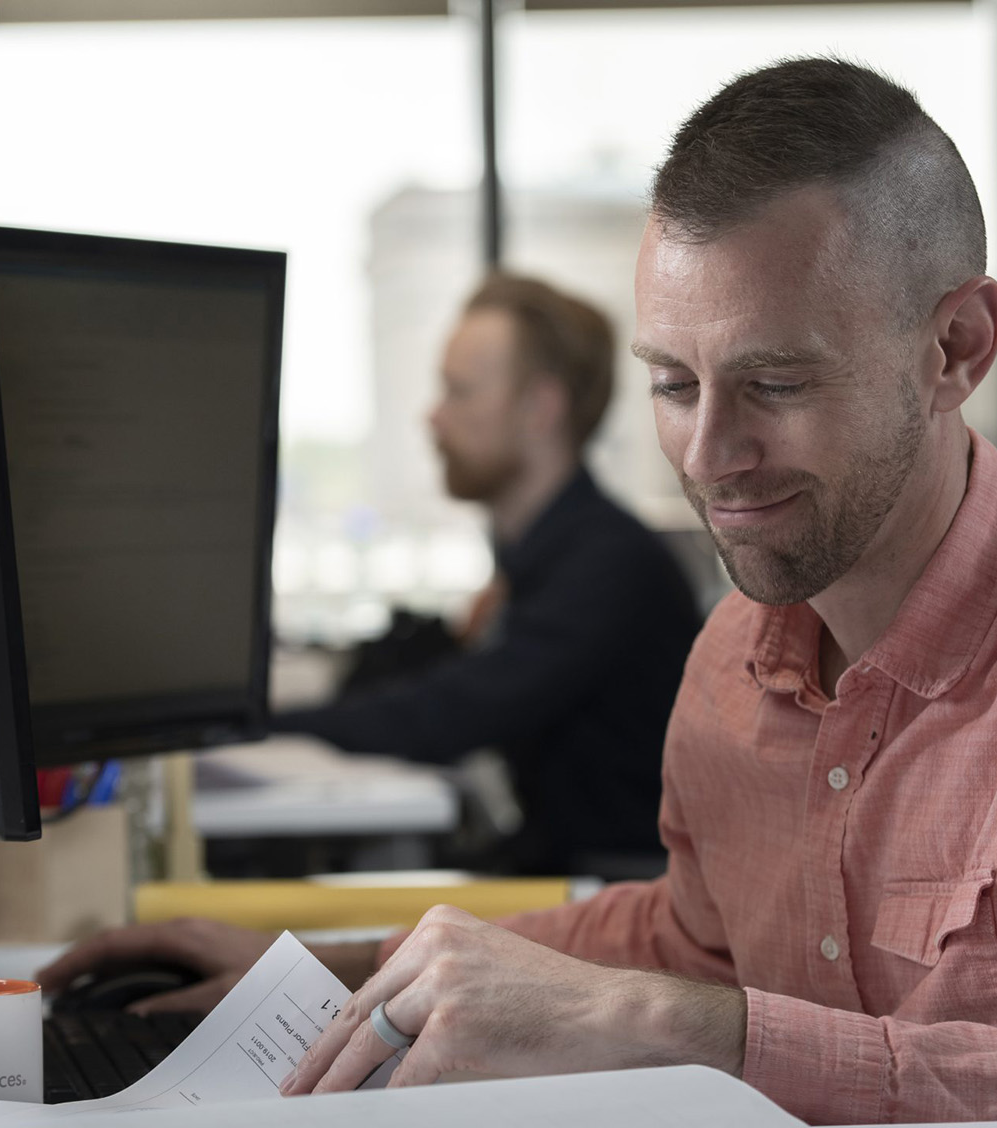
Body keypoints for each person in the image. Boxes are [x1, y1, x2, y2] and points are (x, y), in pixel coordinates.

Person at [40, 58, 997, 1128]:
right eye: (675, 385)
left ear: (957, 347)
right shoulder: (739, 654)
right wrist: (331, 964)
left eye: (774, 385)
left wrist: (666, 1029)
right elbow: (688, 943)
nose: (708, 455)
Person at [272, 275, 701, 876]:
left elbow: (452, 713)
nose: (435, 416)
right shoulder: (539, 557)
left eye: (460, 392)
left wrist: (254, 724)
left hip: (613, 893)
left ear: (540, 408)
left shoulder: (608, 564)